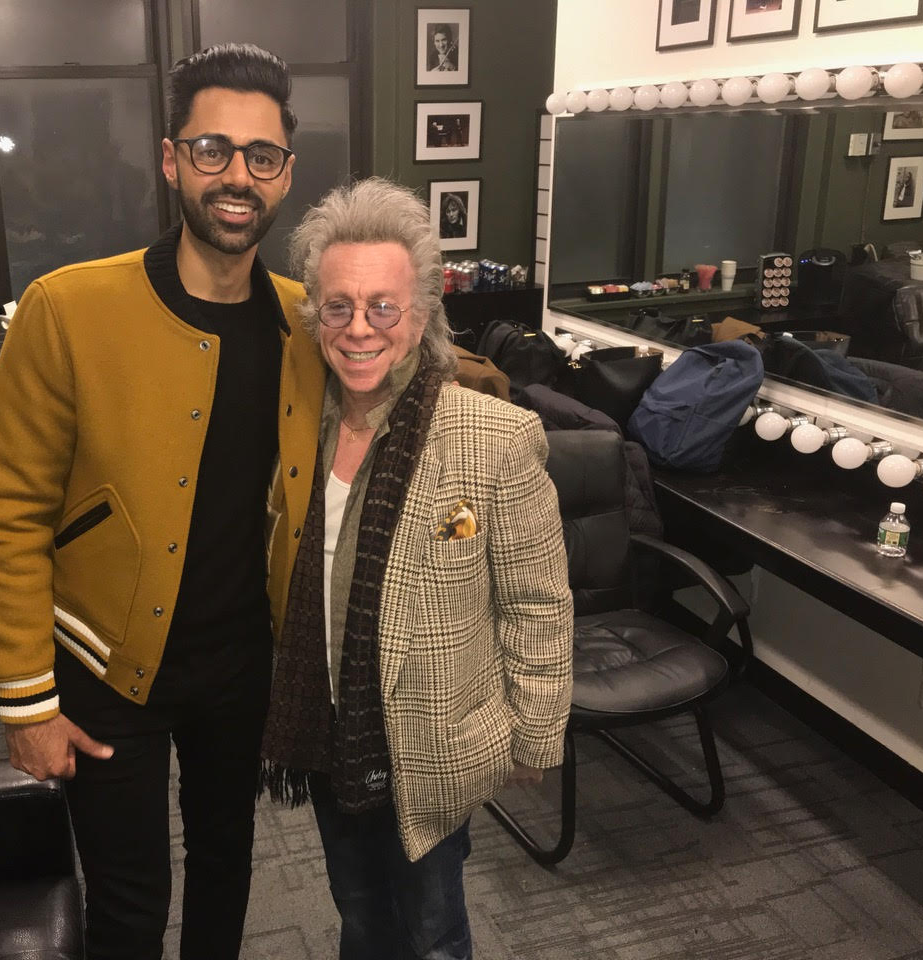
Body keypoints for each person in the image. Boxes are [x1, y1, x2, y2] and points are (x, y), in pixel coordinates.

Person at [0, 43, 326, 960]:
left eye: (261, 155)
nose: (237, 176)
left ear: (286, 172)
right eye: (213, 150)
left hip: (241, 665)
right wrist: (25, 705)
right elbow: (8, 515)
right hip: (105, 665)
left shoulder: (305, 324)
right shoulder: (67, 309)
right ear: (171, 160)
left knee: (226, 864)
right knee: (129, 905)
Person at [260, 178, 574, 960]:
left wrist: (535, 734)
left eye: (383, 306)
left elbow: (537, 602)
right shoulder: (294, 432)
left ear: (424, 312)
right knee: (360, 918)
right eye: (339, 306)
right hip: (328, 734)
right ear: (315, 314)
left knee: (432, 931)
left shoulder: (494, 439)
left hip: (433, 742)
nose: (359, 328)